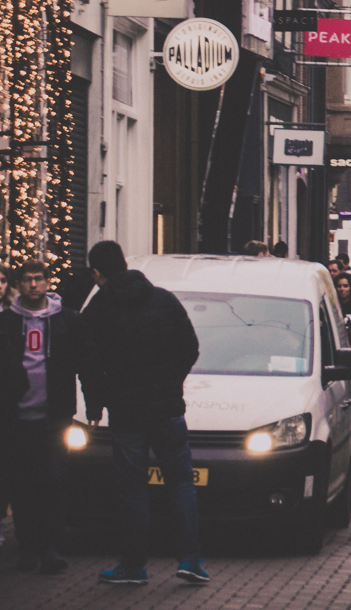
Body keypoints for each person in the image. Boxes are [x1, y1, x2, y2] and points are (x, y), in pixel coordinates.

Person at [80, 241, 206, 585]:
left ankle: (135, 565)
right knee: (181, 483)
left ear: (96, 273)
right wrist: (171, 382)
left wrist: (96, 404)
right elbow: (190, 346)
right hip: (167, 408)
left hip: (126, 411)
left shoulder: (96, 310)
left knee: (132, 488)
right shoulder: (163, 300)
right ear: (125, 263)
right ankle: (190, 559)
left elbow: (88, 365)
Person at [0, 259, 88, 574]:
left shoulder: (67, 321)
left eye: (38, 279)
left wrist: (91, 403)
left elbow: (83, 365)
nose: (33, 285)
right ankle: (28, 547)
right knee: (21, 484)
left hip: (54, 417)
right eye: (26, 279)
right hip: (14, 419)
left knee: (53, 480)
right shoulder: (6, 323)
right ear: (18, 284)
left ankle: (50, 547)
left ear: (48, 282)